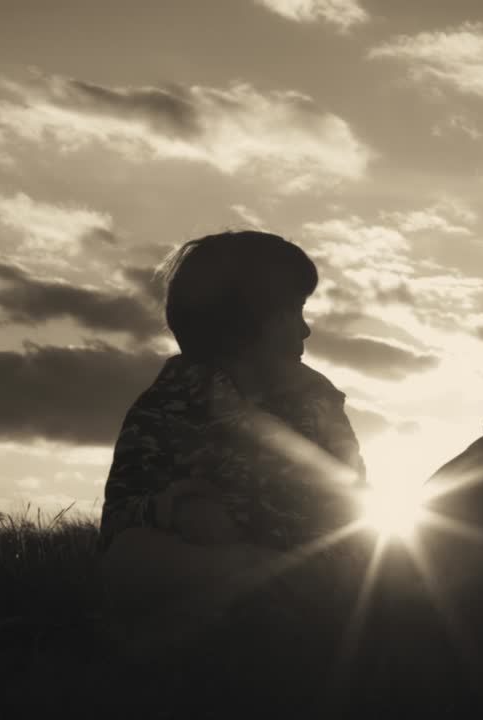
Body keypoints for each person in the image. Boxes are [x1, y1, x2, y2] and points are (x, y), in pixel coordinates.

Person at [97, 230, 367, 659]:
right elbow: (118, 522)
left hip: (306, 576)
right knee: (130, 559)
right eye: (293, 312)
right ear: (248, 322)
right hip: (205, 569)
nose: (305, 328)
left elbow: (353, 508)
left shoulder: (319, 405)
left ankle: (233, 637)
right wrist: (174, 508)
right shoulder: (167, 403)